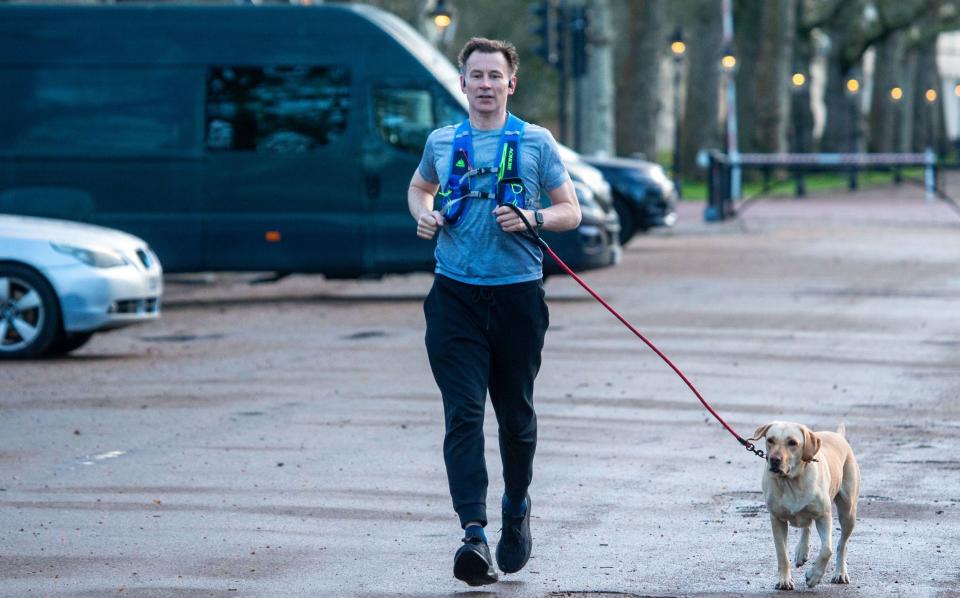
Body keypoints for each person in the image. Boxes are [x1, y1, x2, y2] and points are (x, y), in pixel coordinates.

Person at [407, 37, 581, 586]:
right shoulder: (441, 142)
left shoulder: (535, 142)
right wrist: (424, 213)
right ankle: (473, 534)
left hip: (517, 299)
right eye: (475, 75)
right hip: (454, 298)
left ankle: (516, 506)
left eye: (494, 76)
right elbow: (418, 188)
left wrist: (533, 217)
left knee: (515, 417)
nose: (484, 84)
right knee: (462, 414)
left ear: (511, 83)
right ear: (462, 83)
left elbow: (570, 212)